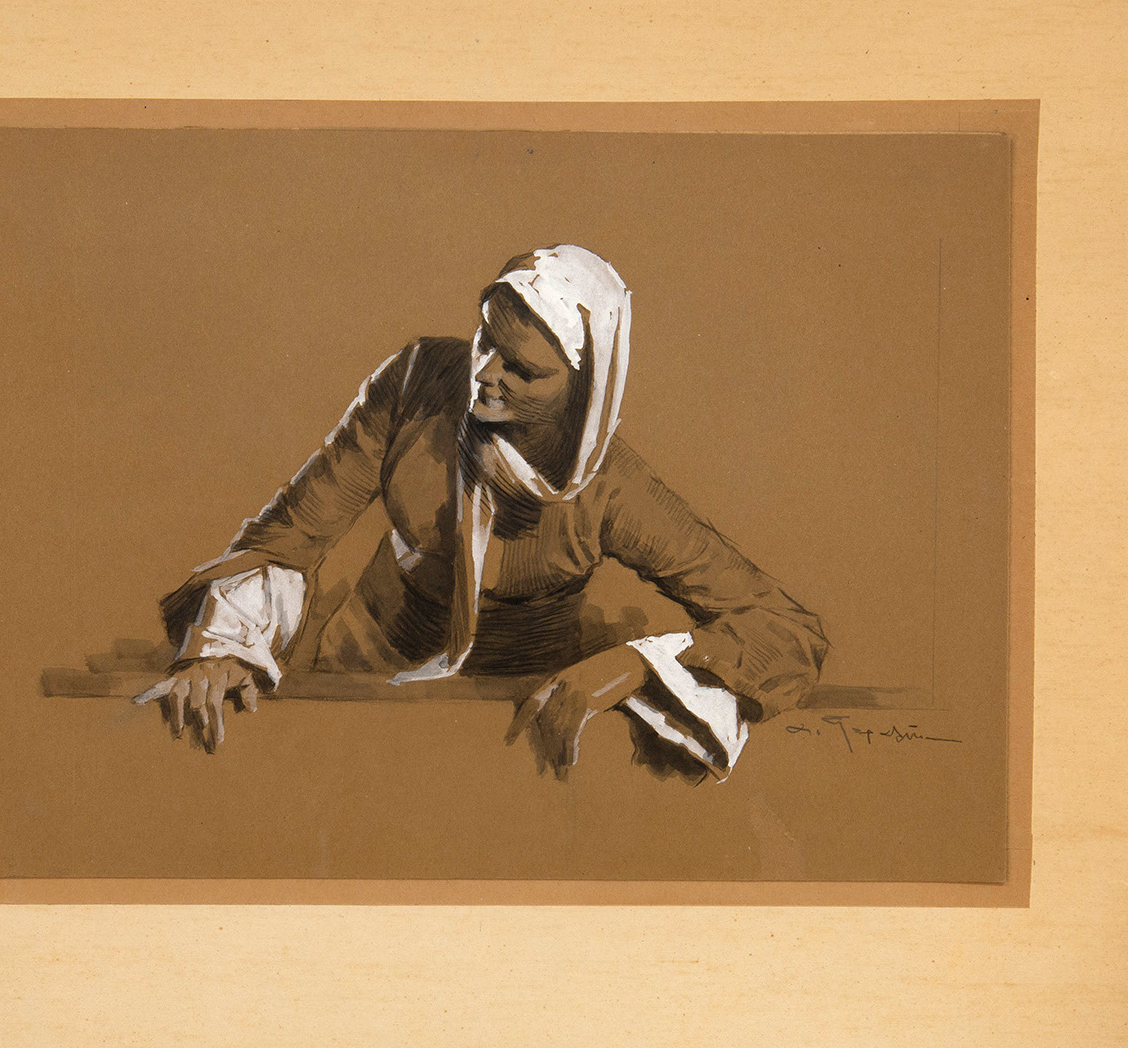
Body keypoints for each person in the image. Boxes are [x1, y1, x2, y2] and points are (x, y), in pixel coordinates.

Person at [137, 245, 827, 780]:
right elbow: (293, 533)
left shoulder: (609, 487)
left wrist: (636, 665)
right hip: (358, 686)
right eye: (485, 340)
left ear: (583, 393)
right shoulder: (417, 383)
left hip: (512, 717)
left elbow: (786, 630)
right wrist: (223, 649)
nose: (486, 373)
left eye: (523, 370)